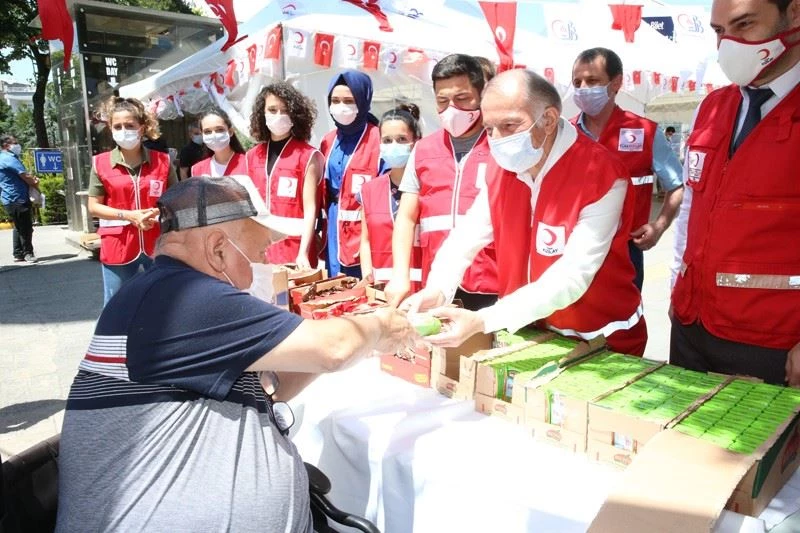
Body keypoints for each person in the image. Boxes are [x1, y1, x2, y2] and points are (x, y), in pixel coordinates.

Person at [55, 175, 414, 532]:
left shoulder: (161, 292)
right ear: (217, 249)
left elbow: (276, 387)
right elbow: (334, 348)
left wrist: (327, 349)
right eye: (261, 253)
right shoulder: (182, 299)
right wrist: (381, 326)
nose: (265, 264)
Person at [404, 69, 648, 356]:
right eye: (490, 128)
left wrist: (484, 320)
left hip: (601, 338)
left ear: (548, 119)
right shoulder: (500, 167)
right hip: (530, 331)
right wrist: (438, 289)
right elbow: (466, 237)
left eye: (509, 126)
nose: (497, 139)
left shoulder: (601, 175)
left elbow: (573, 276)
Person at [671, 0, 800, 386]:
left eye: (744, 24)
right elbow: (691, 207)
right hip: (691, 327)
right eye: (719, 31)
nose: (728, 44)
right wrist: (677, 288)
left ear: (794, 13)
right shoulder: (712, 107)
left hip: (774, 343)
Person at [387, 54, 499, 310]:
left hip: (492, 281)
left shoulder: (500, 147)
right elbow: (406, 217)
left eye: (462, 98)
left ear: (482, 95)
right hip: (437, 283)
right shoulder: (423, 150)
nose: (452, 108)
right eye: (442, 101)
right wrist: (400, 274)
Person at [571, 47, 684, 291]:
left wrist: (659, 226)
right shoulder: (565, 134)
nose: (583, 89)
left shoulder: (645, 131)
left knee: (623, 314)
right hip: (571, 249)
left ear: (616, 83)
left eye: (592, 81)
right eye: (577, 82)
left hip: (626, 251)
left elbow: (677, 185)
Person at [88, 96, 178, 305]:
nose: (124, 130)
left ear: (142, 128)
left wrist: (157, 212)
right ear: (110, 128)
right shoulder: (100, 164)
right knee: (116, 304)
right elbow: (94, 206)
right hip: (118, 244)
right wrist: (129, 216)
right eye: (117, 126)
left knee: (163, 302)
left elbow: (176, 198)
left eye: (129, 125)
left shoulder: (162, 161)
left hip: (157, 242)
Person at [247, 82, 323, 269]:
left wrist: (303, 252)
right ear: (262, 113)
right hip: (260, 248)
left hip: (294, 248)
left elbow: (311, 208)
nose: (278, 116)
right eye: (272, 110)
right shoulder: (252, 156)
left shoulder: (307, 155)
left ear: (295, 115)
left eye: (285, 110)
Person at [320, 70, 382, 278]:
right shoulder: (328, 140)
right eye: (335, 101)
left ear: (363, 101)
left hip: (366, 231)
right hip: (334, 228)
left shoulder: (378, 139)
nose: (341, 107)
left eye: (349, 101)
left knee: (363, 288)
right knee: (334, 286)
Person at [359, 104, 424, 291]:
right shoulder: (369, 190)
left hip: (423, 291)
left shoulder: (430, 188)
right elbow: (366, 240)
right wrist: (367, 275)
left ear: (416, 142)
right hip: (383, 291)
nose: (394, 146)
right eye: (387, 140)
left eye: (401, 139)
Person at [0, 134, 39, 263]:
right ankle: (28, 253)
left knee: (18, 226)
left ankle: (18, 253)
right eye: (14, 143)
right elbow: (24, 176)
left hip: (9, 198)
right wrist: (34, 182)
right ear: (6, 145)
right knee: (26, 227)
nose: (17, 145)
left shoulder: (2, 158)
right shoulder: (9, 159)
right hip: (18, 197)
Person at [191, 107, 247, 177]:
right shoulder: (197, 169)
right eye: (207, 131)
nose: (214, 135)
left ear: (230, 132)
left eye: (220, 130)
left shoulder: (248, 163)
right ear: (202, 135)